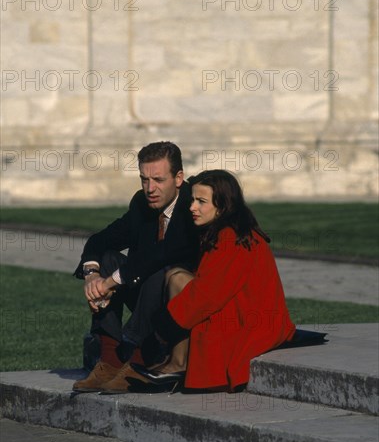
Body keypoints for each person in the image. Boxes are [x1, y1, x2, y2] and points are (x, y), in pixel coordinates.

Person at [131, 169, 297, 393]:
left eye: (201, 201)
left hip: (251, 321)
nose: (192, 207)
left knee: (178, 279)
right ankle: (175, 360)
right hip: (246, 311)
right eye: (193, 200)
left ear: (223, 205)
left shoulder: (231, 237)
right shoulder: (228, 231)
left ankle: (178, 363)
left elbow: (207, 295)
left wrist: (163, 327)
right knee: (174, 275)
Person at [72, 141, 199, 393]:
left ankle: (138, 361)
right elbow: (101, 239)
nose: (150, 188)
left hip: (182, 297)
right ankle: (109, 360)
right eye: (144, 179)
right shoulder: (142, 203)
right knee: (107, 258)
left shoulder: (193, 203)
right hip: (145, 293)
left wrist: (109, 283)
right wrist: (92, 276)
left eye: (158, 180)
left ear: (178, 178)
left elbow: (162, 254)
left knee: (158, 271)